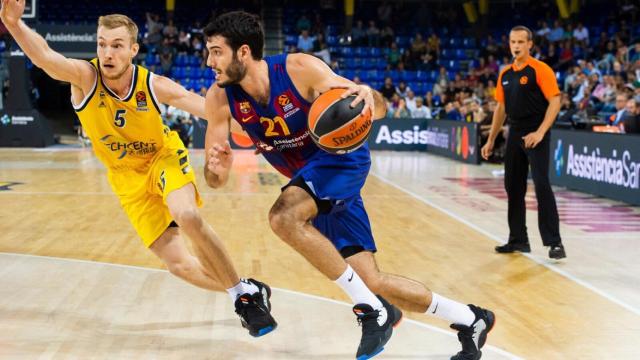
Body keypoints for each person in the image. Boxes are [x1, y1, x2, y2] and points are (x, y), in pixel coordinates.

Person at [202, 11, 495, 360]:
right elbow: (215, 180)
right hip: (311, 184)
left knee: (283, 217)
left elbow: (375, 109)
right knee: (372, 280)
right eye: (209, 51)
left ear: (244, 52)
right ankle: (471, 319)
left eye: (217, 51)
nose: (209, 61)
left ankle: (372, 311)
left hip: (341, 162)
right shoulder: (221, 98)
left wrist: (371, 97)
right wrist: (215, 168)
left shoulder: (298, 69)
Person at [0, 1, 277, 337]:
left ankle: (241, 299)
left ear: (133, 49)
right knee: (178, 265)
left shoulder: (152, 84)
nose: (107, 52)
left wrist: (263, 132)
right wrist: (13, 24)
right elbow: (45, 57)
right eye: (102, 44)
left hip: (161, 158)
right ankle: (246, 289)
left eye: (116, 45)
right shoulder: (84, 78)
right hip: (125, 177)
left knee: (186, 215)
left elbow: (208, 110)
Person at [481, 25, 566, 259]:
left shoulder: (541, 69)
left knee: (541, 184)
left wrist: (539, 132)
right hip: (515, 133)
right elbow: (501, 108)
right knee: (513, 186)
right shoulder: (505, 73)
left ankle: (554, 242)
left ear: (530, 44)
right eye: (513, 42)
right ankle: (518, 240)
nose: (516, 46)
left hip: (536, 132)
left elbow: (555, 101)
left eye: (521, 42)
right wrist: (491, 139)